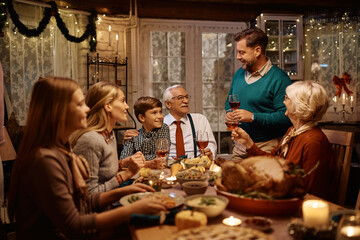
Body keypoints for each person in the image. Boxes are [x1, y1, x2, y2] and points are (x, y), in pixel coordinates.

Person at [7, 77, 167, 239]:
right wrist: (132, 209)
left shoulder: (62, 149)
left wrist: (126, 191)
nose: (87, 109)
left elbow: (83, 203)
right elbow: (74, 226)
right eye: (79, 104)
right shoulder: (45, 159)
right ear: (59, 110)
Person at [231, 80, 334, 200]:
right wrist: (248, 142)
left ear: (299, 105)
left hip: (297, 205)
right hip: (283, 196)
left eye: (286, 98)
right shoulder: (292, 131)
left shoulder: (314, 142)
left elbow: (311, 191)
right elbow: (273, 161)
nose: (283, 102)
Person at [225, 27, 292, 160]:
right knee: (230, 179)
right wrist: (229, 113)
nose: (238, 57)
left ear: (257, 51)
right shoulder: (239, 74)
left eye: (242, 52)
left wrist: (253, 117)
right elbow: (229, 101)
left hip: (266, 147)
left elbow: (286, 117)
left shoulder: (279, 79)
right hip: (240, 145)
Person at [71, 82, 145, 194]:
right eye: (122, 101)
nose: (127, 106)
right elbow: (89, 195)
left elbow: (104, 170)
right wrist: (127, 174)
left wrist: (124, 162)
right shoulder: (91, 140)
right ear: (108, 106)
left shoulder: (109, 134)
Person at [163, 85, 217, 163]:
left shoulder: (200, 120)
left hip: (196, 168)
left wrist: (210, 153)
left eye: (186, 97)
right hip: (169, 169)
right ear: (168, 104)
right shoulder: (160, 124)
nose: (186, 101)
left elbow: (211, 145)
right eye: (180, 98)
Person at [119, 96, 171, 169]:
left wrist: (135, 158)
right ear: (142, 118)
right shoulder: (133, 136)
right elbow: (124, 161)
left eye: (160, 112)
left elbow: (161, 157)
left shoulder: (163, 128)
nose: (160, 116)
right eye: (154, 113)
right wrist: (147, 163)